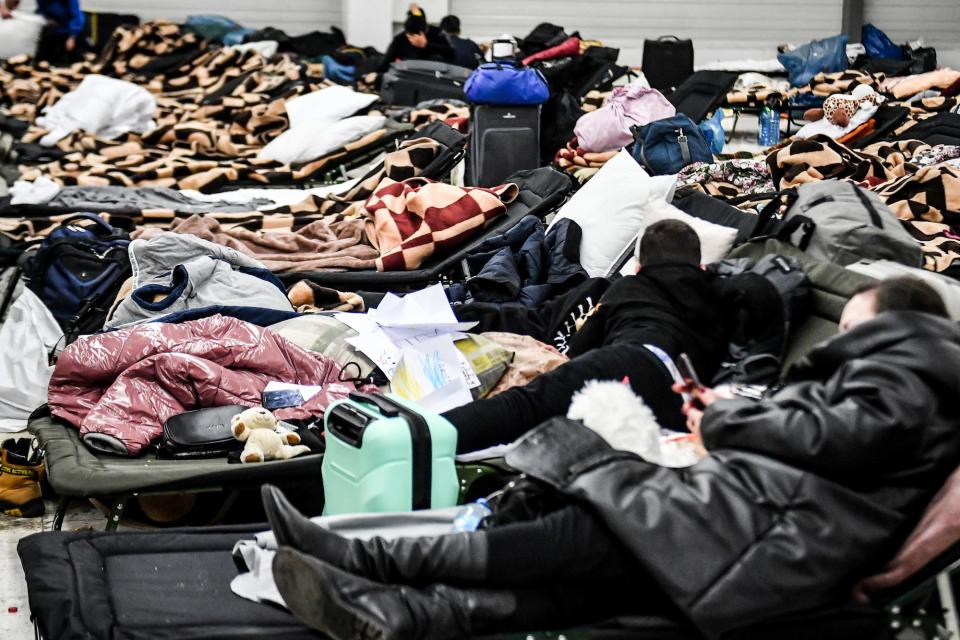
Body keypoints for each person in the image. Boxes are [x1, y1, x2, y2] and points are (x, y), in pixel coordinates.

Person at [261, 276, 960, 639]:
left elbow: (826, 438)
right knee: (592, 581)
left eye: (849, 328)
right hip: (780, 534)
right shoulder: (917, 377)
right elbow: (835, 440)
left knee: (591, 520)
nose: (838, 340)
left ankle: (361, 559)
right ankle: (412, 616)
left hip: (775, 534)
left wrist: (729, 415)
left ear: (892, 323)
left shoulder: (905, 370)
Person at [444, 219, 729, 453]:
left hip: (632, 360)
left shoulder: (627, 287)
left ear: (639, 267)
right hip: (683, 396)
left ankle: (420, 436)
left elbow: (579, 350)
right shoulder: (718, 297)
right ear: (700, 267)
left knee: (525, 406)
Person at [377, 4, 454, 75]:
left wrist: (426, 45)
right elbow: (386, 64)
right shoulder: (400, 40)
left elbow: (451, 55)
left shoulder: (437, 34)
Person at [1, 0, 84, 65]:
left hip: (69, 31)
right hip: (52, 29)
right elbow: (41, 11)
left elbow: (77, 16)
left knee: (68, 60)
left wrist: (72, 37)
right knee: (45, 59)